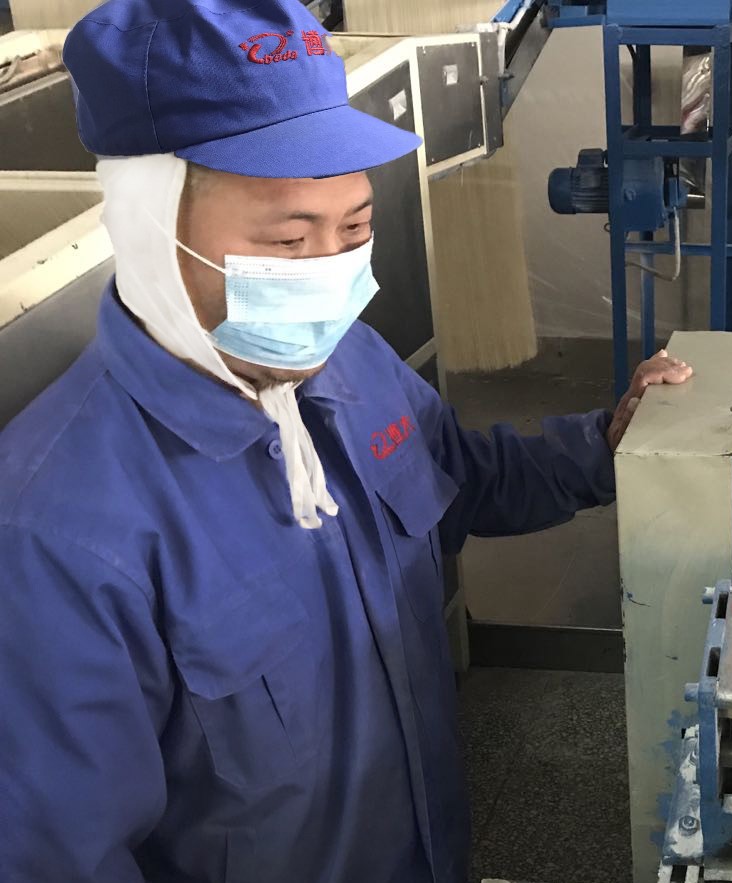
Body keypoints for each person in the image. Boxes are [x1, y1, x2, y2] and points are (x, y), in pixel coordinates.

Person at [0, 1, 692, 881]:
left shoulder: (347, 361)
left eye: (356, 228)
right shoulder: (58, 538)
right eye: (290, 238)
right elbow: (59, 855)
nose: (331, 270)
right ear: (149, 228)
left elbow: (460, 477)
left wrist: (604, 445)